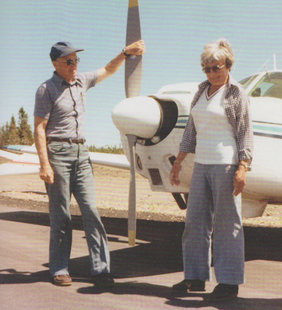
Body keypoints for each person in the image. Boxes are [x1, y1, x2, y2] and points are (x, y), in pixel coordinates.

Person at [34, 40, 145, 287]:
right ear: (55, 64)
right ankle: (60, 268)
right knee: (61, 215)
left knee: (91, 211)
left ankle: (101, 269)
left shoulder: (82, 81)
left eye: (76, 60)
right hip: (58, 152)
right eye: (68, 61)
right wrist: (44, 164)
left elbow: (108, 69)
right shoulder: (46, 89)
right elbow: (39, 128)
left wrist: (125, 53)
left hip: (82, 153)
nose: (74, 65)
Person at [169, 38, 253, 302]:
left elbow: (244, 131)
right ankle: (195, 277)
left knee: (228, 224)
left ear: (228, 65)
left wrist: (243, 166)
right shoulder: (200, 92)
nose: (212, 73)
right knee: (194, 223)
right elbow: (191, 130)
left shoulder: (236, 93)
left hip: (226, 163)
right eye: (207, 69)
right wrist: (179, 161)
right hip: (201, 164)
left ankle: (229, 281)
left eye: (216, 68)